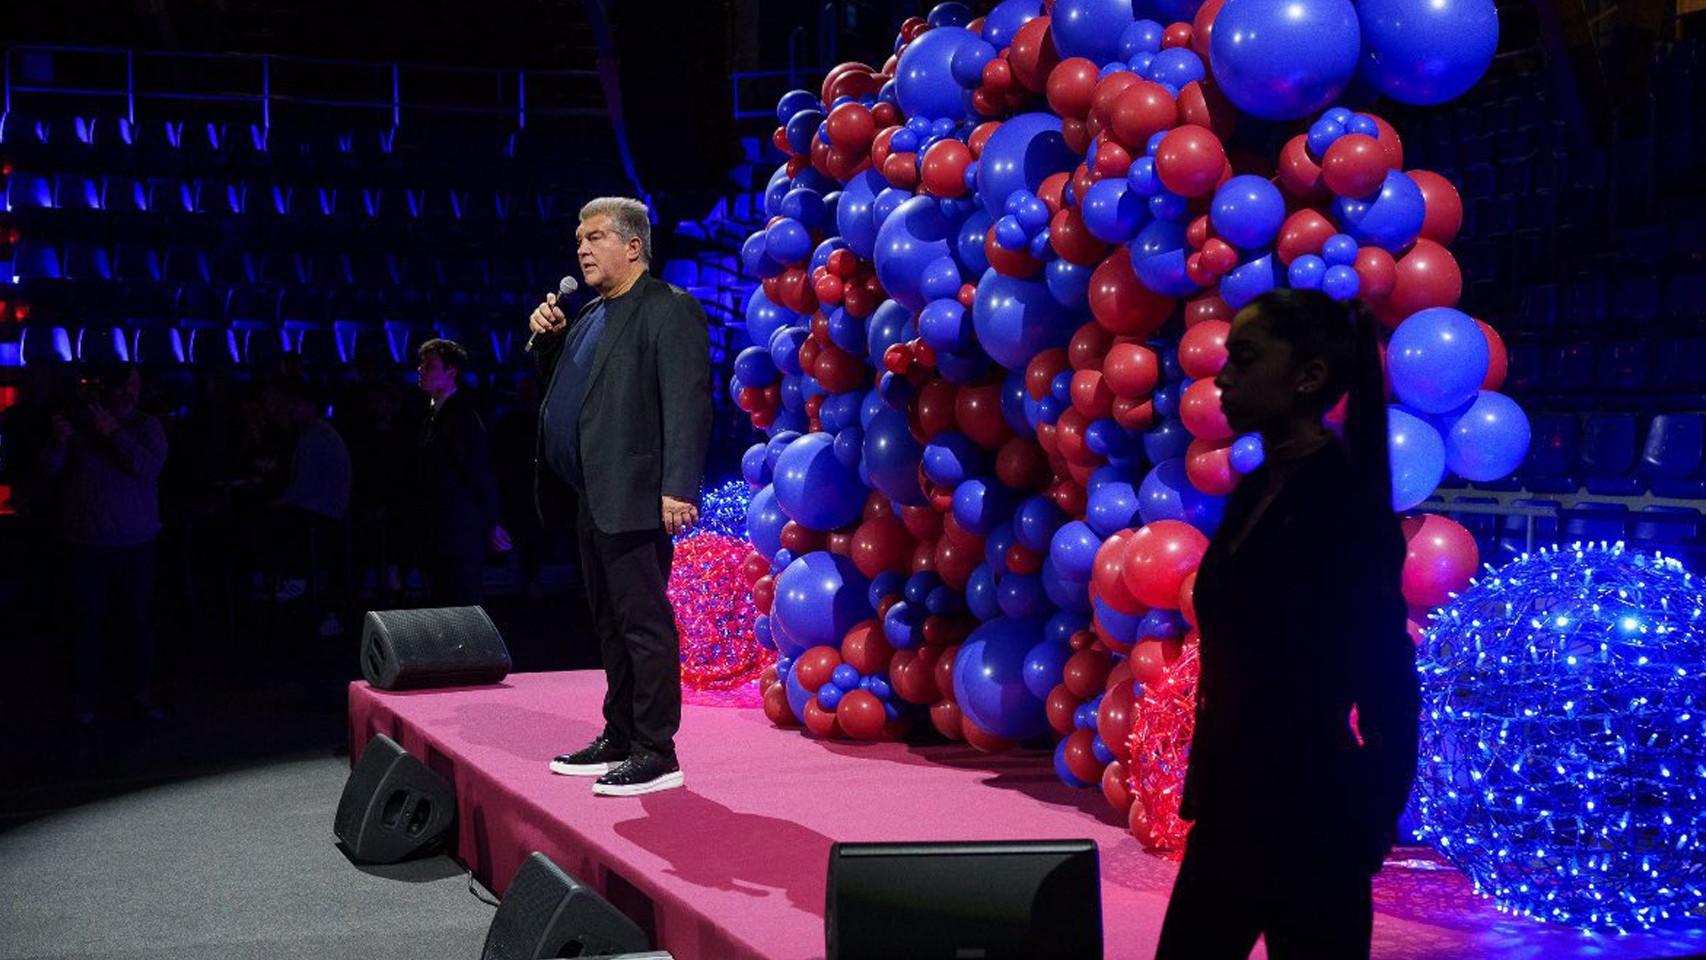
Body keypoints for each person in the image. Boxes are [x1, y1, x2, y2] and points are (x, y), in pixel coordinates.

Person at [1155, 290, 1419, 960]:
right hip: (1233, 803)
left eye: (1243, 358)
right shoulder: (1257, 487)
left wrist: (1374, 811)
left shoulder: (1344, 503)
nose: (1223, 377)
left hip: (1314, 814)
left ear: (1309, 377)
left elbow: (1387, 672)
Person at [528, 196, 711, 797]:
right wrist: (550, 343)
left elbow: (687, 402)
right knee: (609, 624)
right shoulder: (588, 314)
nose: (582, 247)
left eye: (596, 236)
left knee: (643, 625)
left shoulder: (667, 309)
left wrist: (678, 487)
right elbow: (574, 392)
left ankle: (657, 750)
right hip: (593, 493)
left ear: (633, 246)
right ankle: (620, 732)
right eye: (578, 238)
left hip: (637, 495)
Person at [40, 364, 168, 724]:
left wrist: (114, 434)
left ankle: (140, 694)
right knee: (86, 624)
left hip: (136, 543)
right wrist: (58, 440)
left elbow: (147, 468)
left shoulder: (148, 426)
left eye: (134, 384)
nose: (128, 391)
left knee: (138, 622)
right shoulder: (79, 424)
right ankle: (85, 700)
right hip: (88, 542)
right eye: (121, 384)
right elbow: (50, 470)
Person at [414, 338, 508, 606]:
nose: (421, 369)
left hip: (458, 531)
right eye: (422, 363)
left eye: (429, 365)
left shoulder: (462, 417)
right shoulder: (432, 415)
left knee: (460, 602)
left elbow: (479, 471)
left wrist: (493, 522)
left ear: (451, 373)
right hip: (441, 530)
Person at [262, 376, 353, 636]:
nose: (291, 410)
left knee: (275, 517)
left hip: (320, 514)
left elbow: (304, 487)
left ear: (310, 406)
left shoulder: (314, 437)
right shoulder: (317, 435)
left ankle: (292, 578)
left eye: (296, 405)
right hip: (328, 510)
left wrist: (276, 501)